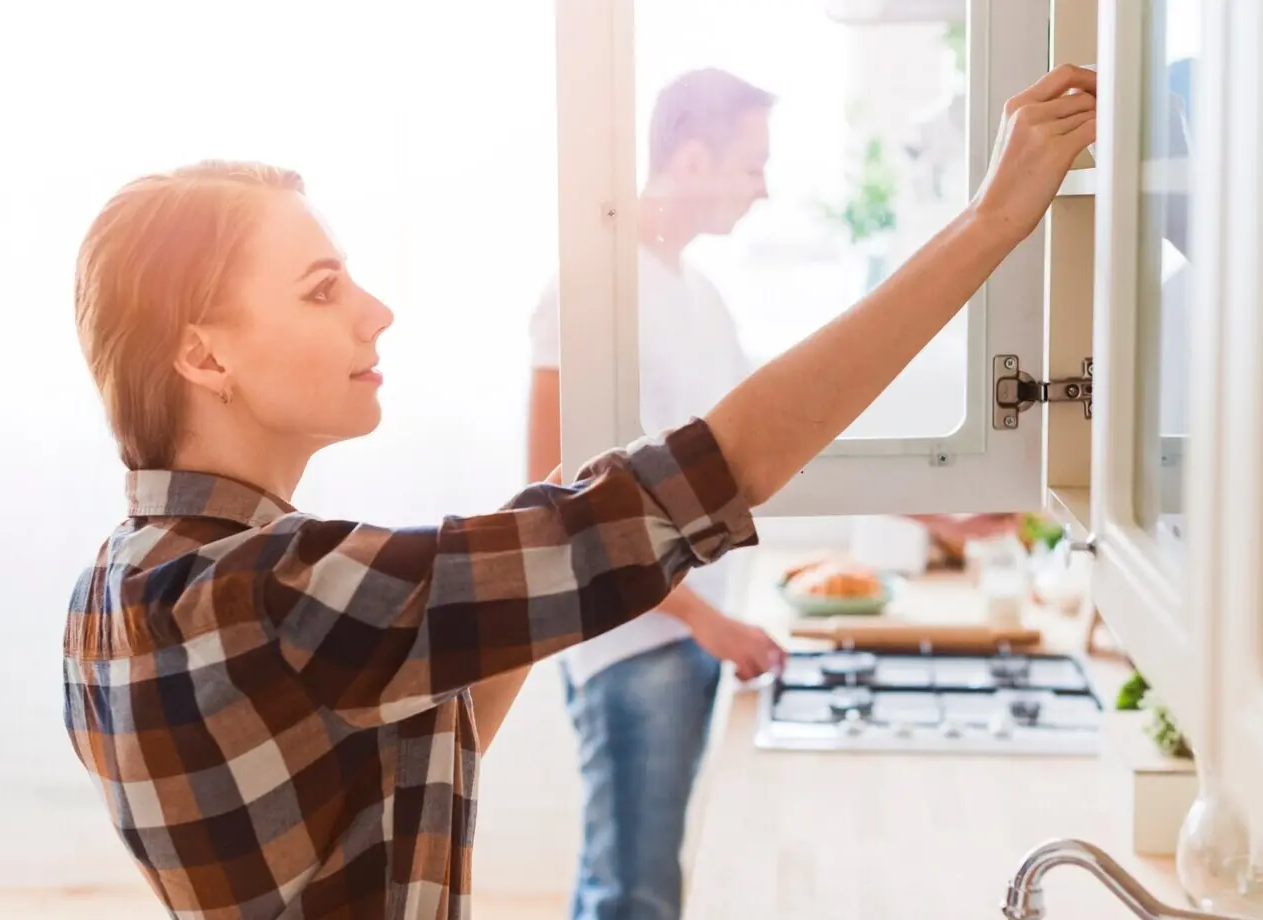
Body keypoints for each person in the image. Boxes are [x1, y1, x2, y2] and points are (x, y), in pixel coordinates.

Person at [62, 64, 1096, 920]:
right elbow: (724, 461)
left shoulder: (115, 589)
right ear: (203, 355)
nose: (374, 311)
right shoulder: (280, 594)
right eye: (321, 288)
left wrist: (558, 553)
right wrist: (992, 221)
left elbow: (396, 776)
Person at [527, 68, 786, 920]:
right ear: (692, 156)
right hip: (629, 642)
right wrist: (704, 621)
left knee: (629, 879)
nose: (763, 190)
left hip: (681, 634)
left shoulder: (698, 295)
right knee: (632, 895)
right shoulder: (589, 291)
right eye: (751, 166)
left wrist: (936, 501)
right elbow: (555, 499)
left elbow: (774, 436)